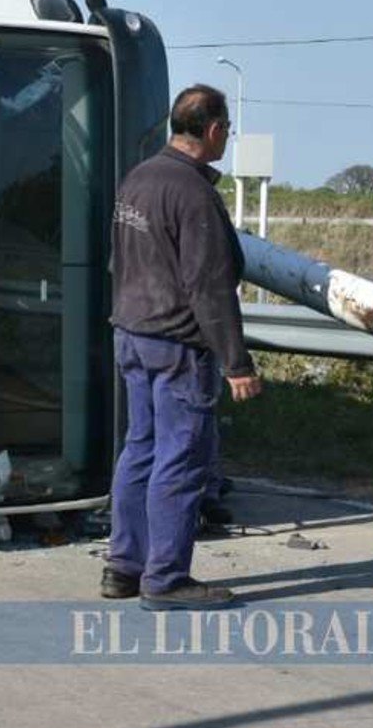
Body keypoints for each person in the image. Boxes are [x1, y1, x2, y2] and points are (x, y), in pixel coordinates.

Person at [101, 84, 264, 611]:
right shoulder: (193, 193)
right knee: (182, 457)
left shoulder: (138, 179)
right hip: (176, 345)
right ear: (213, 130)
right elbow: (210, 285)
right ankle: (166, 578)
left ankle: (123, 567)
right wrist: (237, 362)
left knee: (141, 449)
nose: (227, 139)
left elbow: (118, 260)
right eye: (227, 131)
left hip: (132, 333)